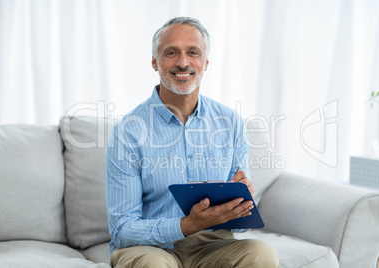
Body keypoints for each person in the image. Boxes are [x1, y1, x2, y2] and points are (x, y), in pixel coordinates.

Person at [106, 17, 279, 268]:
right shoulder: (128, 132)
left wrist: (240, 209)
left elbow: (241, 228)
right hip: (150, 249)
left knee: (262, 254)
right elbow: (122, 230)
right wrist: (187, 225)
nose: (183, 62)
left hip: (213, 245)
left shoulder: (230, 123)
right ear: (155, 61)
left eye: (193, 52)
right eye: (171, 53)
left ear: (205, 62)